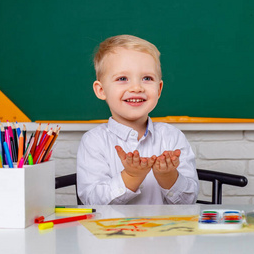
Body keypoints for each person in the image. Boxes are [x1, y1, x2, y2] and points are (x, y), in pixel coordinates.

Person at [77, 34, 199, 205]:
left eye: (147, 78)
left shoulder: (172, 136)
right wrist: (131, 176)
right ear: (101, 90)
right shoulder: (94, 141)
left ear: (159, 89)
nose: (136, 87)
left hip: (165, 230)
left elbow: (188, 201)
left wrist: (168, 176)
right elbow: (92, 201)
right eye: (122, 79)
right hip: (112, 230)